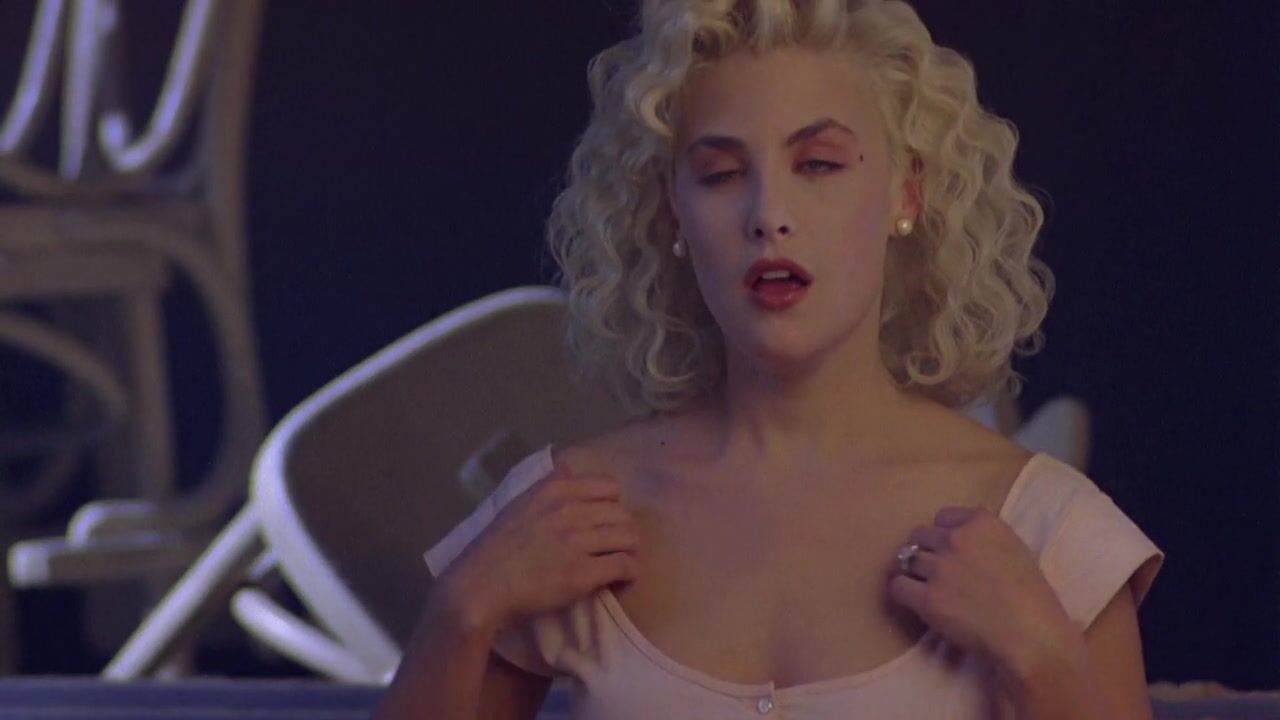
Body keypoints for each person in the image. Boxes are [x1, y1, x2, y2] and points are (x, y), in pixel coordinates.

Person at [373, 1, 1165, 718]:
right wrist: (460, 612)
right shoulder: (563, 513)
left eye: (818, 164)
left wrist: (1043, 663)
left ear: (905, 192)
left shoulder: (1045, 529)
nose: (769, 215)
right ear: (673, 210)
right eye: (720, 174)